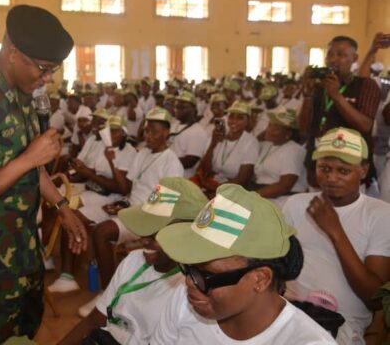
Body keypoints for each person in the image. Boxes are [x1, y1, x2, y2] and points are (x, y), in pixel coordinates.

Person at [0, 4, 87, 344]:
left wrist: (62, 207)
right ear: (12, 52)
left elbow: (28, 168)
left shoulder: (19, 94)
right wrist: (29, 158)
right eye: (44, 68)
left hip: (21, 241)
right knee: (0, 338)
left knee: (26, 330)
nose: (48, 78)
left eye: (53, 70)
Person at [151, 184, 336, 344]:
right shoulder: (184, 302)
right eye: (187, 267)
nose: (189, 282)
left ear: (260, 279)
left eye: (206, 275)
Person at [58, 178, 207, 345]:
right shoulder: (134, 259)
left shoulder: (190, 291)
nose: (144, 241)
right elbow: (95, 319)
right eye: (144, 230)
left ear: (185, 236)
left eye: (155, 234)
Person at [282, 127, 390, 345]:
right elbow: (278, 264)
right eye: (324, 168)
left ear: (363, 170)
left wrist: (335, 231)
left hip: (341, 324)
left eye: (343, 171)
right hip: (288, 309)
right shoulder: (296, 204)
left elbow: (374, 298)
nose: (331, 178)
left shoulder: (380, 215)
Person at [81, 107, 184, 317]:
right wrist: (122, 203)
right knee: (86, 220)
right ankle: (108, 284)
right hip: (131, 208)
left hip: (151, 218)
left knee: (101, 232)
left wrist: (134, 209)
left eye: (155, 132)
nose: (149, 136)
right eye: (147, 131)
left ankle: (108, 294)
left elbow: (166, 204)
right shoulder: (143, 153)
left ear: (166, 132)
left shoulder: (171, 161)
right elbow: (128, 187)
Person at [49, 115, 137, 293]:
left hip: (110, 198)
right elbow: (95, 174)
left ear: (124, 133)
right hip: (94, 190)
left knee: (73, 217)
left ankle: (68, 275)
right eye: (108, 130)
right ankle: (63, 271)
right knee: (65, 210)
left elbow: (121, 189)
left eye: (115, 131)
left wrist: (104, 165)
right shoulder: (104, 147)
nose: (111, 134)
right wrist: (83, 170)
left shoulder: (129, 152)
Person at [298, 36, 381, 185]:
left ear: (354, 58)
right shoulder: (319, 87)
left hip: (349, 169)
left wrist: (336, 95)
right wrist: (308, 94)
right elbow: (303, 128)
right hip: (319, 165)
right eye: (330, 54)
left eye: (341, 55)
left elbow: (365, 125)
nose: (333, 59)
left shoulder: (365, 85)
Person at [194, 101, 259, 193]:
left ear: (247, 121)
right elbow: (205, 169)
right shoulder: (219, 135)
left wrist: (215, 188)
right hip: (211, 183)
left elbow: (241, 180)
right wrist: (213, 144)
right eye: (231, 116)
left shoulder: (251, 142)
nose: (234, 121)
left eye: (240, 118)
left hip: (232, 190)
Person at [250, 108, 307, 208]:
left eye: (276, 128)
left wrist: (251, 197)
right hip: (262, 194)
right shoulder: (267, 145)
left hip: (281, 200)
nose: (269, 129)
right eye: (270, 125)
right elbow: (254, 141)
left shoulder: (294, 150)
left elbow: (284, 186)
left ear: (288, 134)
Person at [170, 91, 209, 178]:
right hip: (166, 174)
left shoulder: (198, 132)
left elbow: (190, 161)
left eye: (182, 107)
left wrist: (164, 162)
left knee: (156, 191)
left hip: (181, 179)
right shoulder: (174, 124)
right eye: (176, 106)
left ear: (194, 110)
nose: (177, 109)